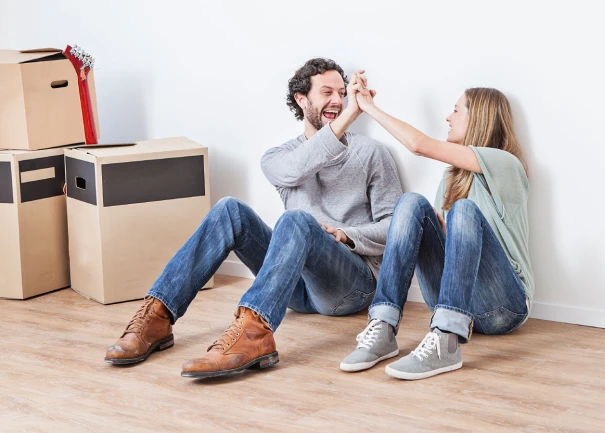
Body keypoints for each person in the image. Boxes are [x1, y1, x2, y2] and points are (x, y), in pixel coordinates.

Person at [104, 58, 403, 379]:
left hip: (349, 286)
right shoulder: (279, 158)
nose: (338, 101)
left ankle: (254, 333)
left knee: (295, 221)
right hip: (294, 289)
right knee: (229, 209)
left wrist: (344, 235)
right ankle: (157, 317)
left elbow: (394, 228)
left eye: (342, 93)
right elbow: (298, 168)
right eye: (326, 92)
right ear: (301, 100)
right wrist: (346, 120)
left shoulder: (372, 153)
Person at [339, 80, 533, 380]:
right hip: (452, 300)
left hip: (503, 307)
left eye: (456, 110)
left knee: (464, 210)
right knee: (411, 203)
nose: (448, 117)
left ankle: (446, 341)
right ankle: (383, 326)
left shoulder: (506, 164)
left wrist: (368, 107)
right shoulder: (451, 177)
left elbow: (419, 145)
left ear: (478, 117)